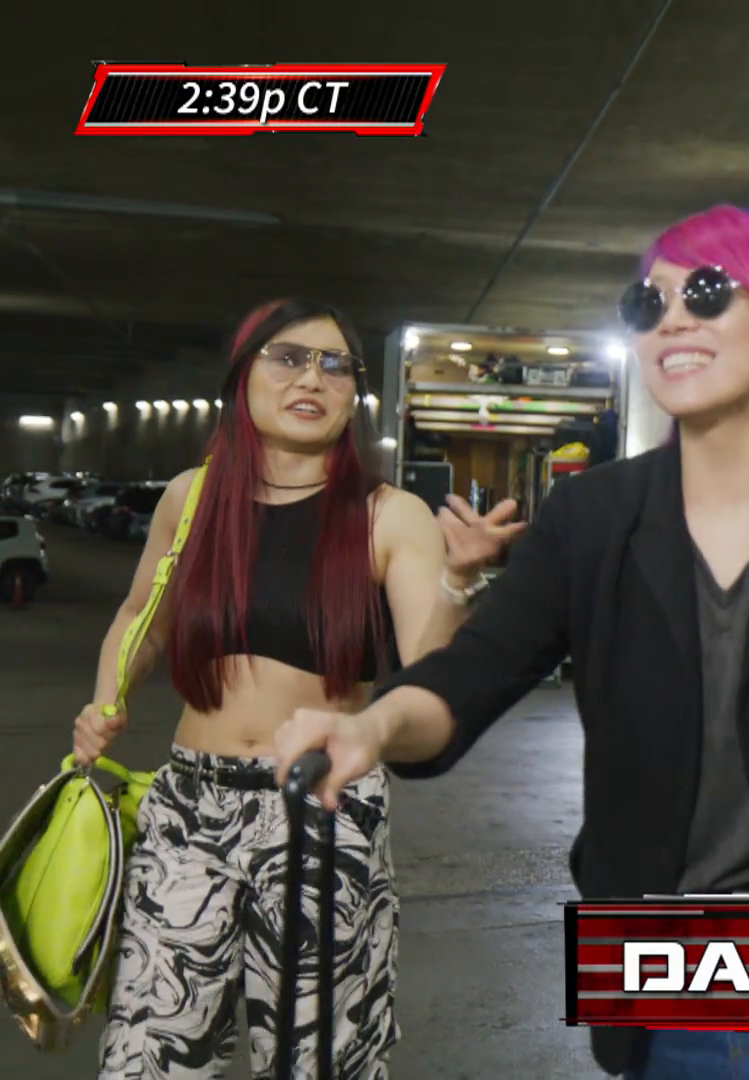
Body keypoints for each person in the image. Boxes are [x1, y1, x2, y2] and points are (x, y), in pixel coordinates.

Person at [270, 204, 749, 1080]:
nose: (671, 319)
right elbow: (473, 672)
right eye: (647, 304)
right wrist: (373, 726)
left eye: (708, 292)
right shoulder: (594, 516)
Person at [73, 297, 522, 1079]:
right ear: (242, 378)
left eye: (334, 365)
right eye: (288, 358)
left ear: (353, 394)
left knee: (321, 1061)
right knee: (149, 1053)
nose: (312, 378)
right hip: (189, 812)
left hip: (323, 808)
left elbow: (431, 669)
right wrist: (105, 700)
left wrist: (458, 581)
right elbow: (141, 616)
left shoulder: (388, 516)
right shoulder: (191, 497)